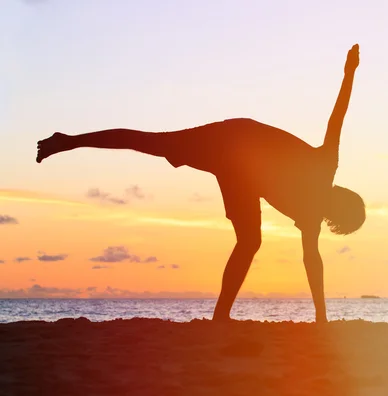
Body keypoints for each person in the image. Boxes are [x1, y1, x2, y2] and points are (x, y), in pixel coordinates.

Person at [36, 44, 365, 323]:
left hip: (238, 168)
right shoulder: (325, 168)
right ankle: (70, 141)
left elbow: (312, 262)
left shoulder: (312, 215)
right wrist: (349, 73)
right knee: (151, 143)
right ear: (338, 215)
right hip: (233, 140)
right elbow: (338, 115)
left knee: (249, 240)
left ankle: (221, 317)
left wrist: (321, 317)